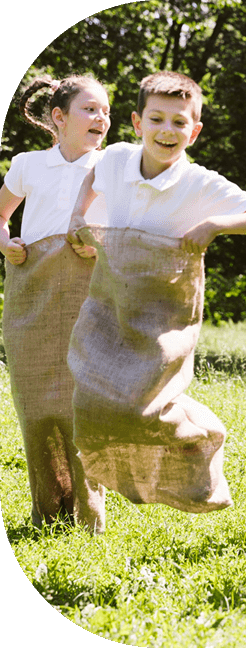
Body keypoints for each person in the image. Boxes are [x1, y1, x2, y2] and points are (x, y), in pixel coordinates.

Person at [65, 71, 246, 518]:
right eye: (157, 119)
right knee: (89, 400)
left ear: (195, 130)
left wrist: (216, 224)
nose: (167, 131)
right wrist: (78, 218)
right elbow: (92, 178)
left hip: (162, 311)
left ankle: (203, 434)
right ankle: (105, 487)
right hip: (110, 299)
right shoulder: (115, 159)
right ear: (136, 122)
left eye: (179, 123)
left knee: (138, 406)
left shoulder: (200, 182)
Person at [0, 74, 110, 531]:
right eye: (91, 109)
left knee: (82, 404)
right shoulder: (29, 165)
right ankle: (49, 508)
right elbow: (0, 214)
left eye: (106, 110)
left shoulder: (112, 168)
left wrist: (97, 245)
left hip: (88, 294)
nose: (101, 118)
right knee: (38, 403)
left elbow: (127, 231)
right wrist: (5, 244)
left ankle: (89, 513)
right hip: (33, 297)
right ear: (59, 118)